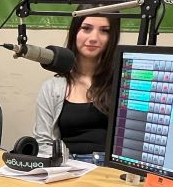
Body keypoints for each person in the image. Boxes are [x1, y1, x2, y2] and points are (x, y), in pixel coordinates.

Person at [33, 14, 120, 162]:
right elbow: (44, 142)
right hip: (68, 166)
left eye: (104, 31)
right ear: (74, 32)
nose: (94, 38)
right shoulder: (52, 88)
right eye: (86, 28)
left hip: (110, 168)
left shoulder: (121, 82)